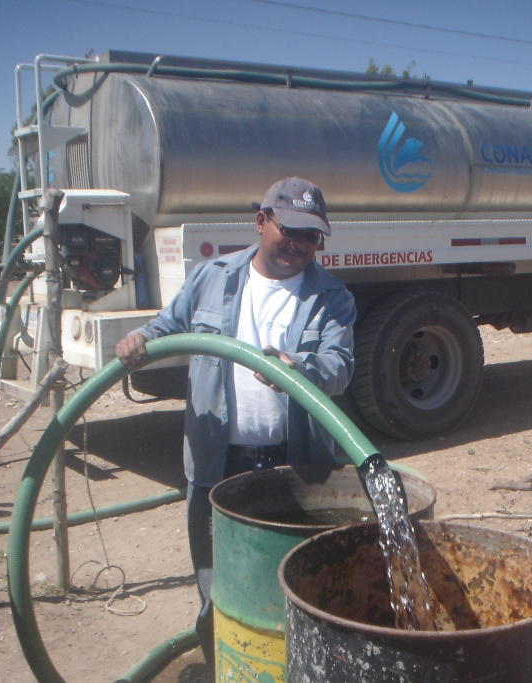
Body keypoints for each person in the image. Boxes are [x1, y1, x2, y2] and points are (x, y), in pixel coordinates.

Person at [115, 176, 355, 658]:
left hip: (296, 468)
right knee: (217, 588)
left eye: (312, 236)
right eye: (291, 230)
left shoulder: (332, 296)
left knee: (302, 590)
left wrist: (300, 369)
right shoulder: (213, 276)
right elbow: (168, 325)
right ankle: (221, 665)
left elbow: (340, 366)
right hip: (216, 466)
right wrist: (139, 337)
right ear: (261, 221)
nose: (301, 244)